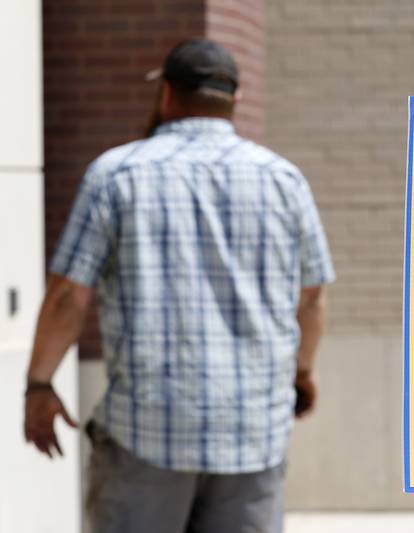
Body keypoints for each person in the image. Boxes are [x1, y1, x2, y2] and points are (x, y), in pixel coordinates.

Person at [23, 38, 334, 533]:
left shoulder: (116, 174)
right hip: (252, 434)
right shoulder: (283, 180)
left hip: (146, 433)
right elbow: (312, 297)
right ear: (234, 100)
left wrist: (39, 384)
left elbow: (68, 296)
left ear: (167, 95)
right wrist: (301, 373)